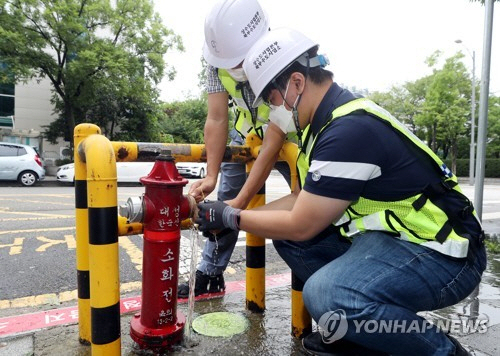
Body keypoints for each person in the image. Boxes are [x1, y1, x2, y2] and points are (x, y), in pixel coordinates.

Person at [195, 27, 487, 355]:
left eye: (271, 99)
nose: (271, 111)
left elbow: (302, 222)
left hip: (445, 253)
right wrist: (226, 215)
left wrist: (232, 216)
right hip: (397, 240)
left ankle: (443, 351)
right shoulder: (322, 124)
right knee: (292, 241)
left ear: (296, 83)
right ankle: (362, 331)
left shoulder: (347, 130)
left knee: (327, 294)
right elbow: (300, 203)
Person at [178, 0, 293, 298]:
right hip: (245, 137)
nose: (232, 66)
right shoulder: (216, 64)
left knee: (308, 200)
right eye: (227, 59)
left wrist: (238, 204)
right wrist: (211, 176)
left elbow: (276, 136)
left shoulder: (281, 57)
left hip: (292, 139)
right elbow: (217, 117)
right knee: (223, 204)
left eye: (238, 59)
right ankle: (211, 273)